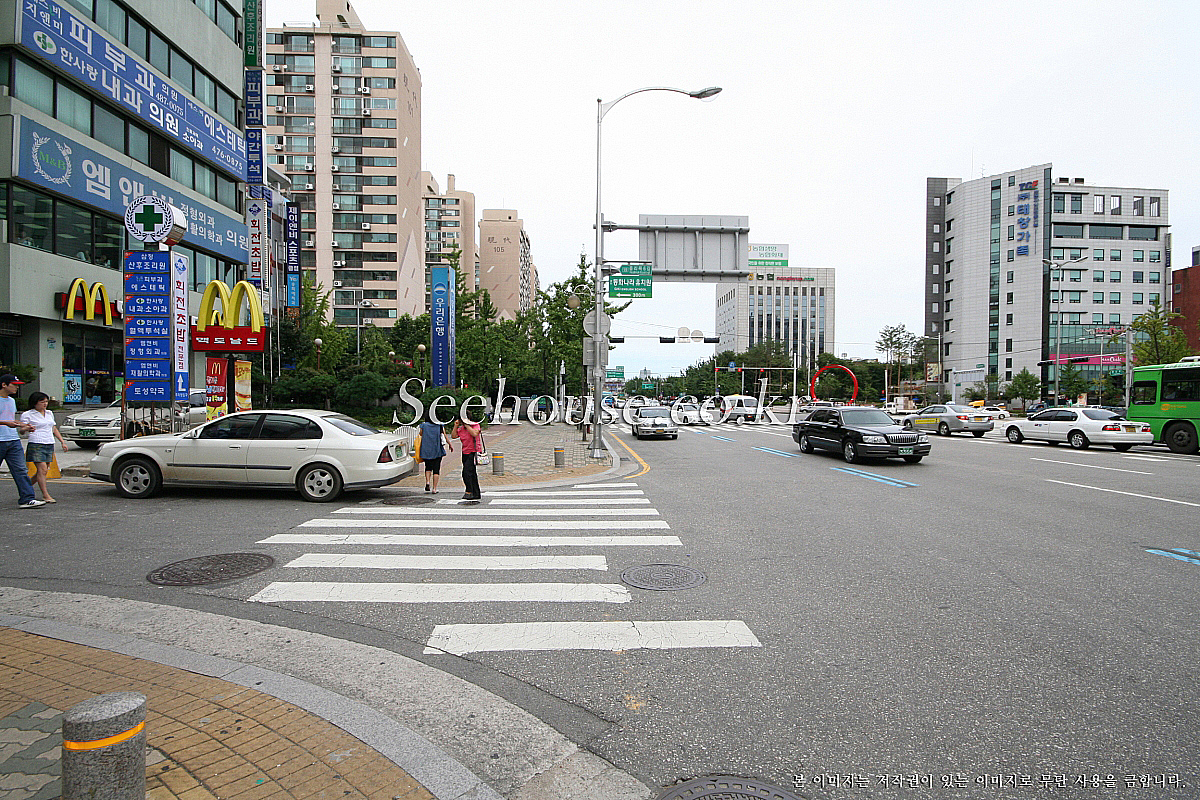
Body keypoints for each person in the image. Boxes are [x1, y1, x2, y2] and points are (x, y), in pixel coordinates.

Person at [0, 375, 42, 508]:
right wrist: (6, 423)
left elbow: (11, 419)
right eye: (14, 385)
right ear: (4, 385)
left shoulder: (11, 401)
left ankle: (27, 499)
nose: (17, 387)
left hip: (13, 440)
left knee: (21, 470)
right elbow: (6, 421)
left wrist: (23, 425)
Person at [21, 391, 69, 504]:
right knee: (42, 469)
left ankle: (25, 487)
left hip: (49, 443)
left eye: (46, 402)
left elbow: (53, 428)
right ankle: (45, 495)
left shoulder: (49, 413)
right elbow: (22, 430)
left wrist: (62, 441)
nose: (45, 404)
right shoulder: (28, 414)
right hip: (36, 443)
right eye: (42, 402)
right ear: (35, 403)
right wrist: (27, 428)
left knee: (43, 471)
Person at [417, 413, 453, 494]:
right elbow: (445, 436)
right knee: (436, 469)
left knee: (428, 467)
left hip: (426, 449)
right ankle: (434, 488)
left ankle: (427, 482)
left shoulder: (423, 425)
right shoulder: (439, 425)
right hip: (437, 449)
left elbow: (421, 434)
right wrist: (450, 444)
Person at [451, 416, 483, 501]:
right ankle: (476, 493)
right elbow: (454, 436)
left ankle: (469, 491)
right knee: (472, 473)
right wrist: (456, 426)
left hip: (473, 452)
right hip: (465, 452)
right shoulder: (461, 429)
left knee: (466, 472)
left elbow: (474, 434)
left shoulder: (475, 425)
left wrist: (467, 425)